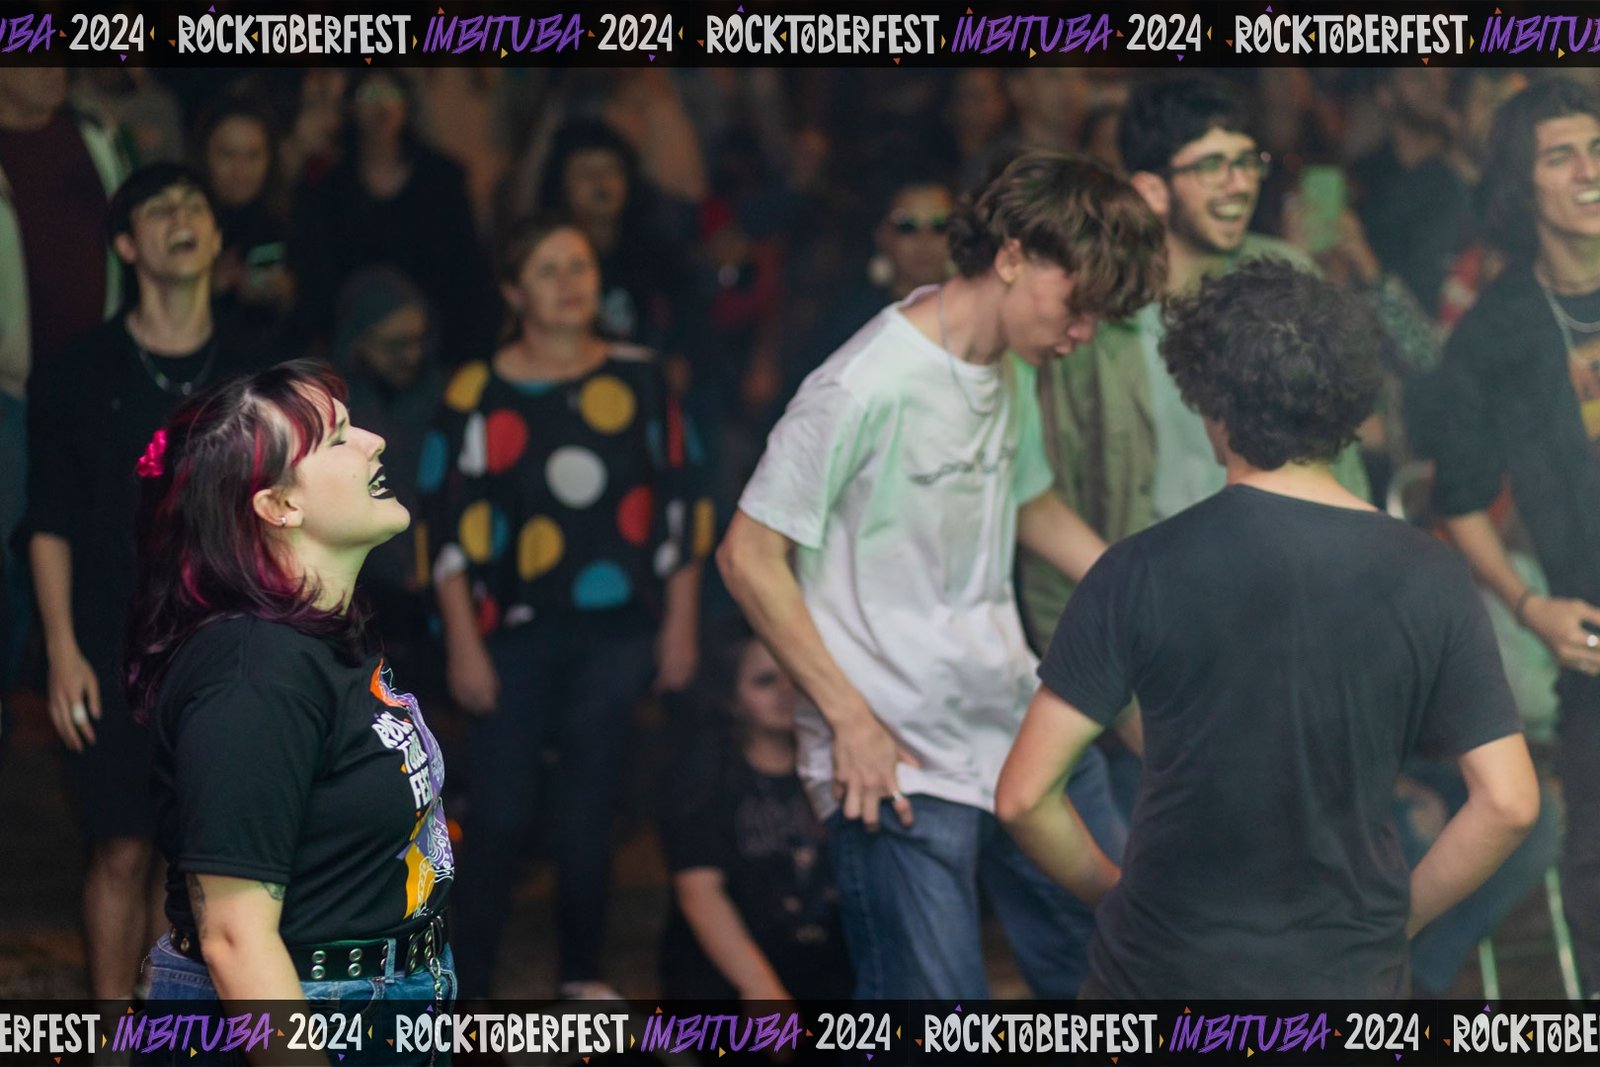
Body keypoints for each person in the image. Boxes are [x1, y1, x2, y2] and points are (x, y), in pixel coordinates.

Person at [996, 261, 1540, 998]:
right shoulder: (1430, 574)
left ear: (1209, 401)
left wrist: (1119, 900)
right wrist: (1392, 923)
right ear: (1350, 402)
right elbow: (1510, 802)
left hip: (1158, 980)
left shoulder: (1137, 569)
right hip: (1343, 987)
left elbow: (1025, 797)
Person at [717, 149, 1165, 999]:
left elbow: (1029, 500)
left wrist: (1141, 588)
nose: (1083, 334)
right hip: (894, 755)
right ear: (1013, 256)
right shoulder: (863, 384)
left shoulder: (1009, 364)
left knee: (1120, 968)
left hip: (1009, 717)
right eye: (1077, 308)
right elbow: (747, 554)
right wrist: (848, 718)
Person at [427, 217, 709, 999]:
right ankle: (465, 993)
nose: (568, 283)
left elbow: (684, 503)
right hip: (508, 631)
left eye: (579, 266)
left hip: (618, 628)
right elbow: (442, 524)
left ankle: (583, 980)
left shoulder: (642, 377)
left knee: (591, 812)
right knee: (501, 812)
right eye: (547, 269)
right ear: (513, 290)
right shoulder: (475, 388)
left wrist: (682, 623)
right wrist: (462, 642)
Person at [125, 360, 455, 1019]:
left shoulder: (326, 631)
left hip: (373, 999)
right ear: (279, 505)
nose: (375, 441)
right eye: (338, 437)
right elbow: (236, 940)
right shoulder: (254, 675)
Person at [22, 163, 260, 1000]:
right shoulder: (78, 372)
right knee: (121, 848)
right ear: (127, 244)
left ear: (217, 236)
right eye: (159, 209)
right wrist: (61, 651)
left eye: (195, 205)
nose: (181, 218)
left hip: (226, 652)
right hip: (110, 642)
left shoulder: (257, 372)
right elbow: (48, 520)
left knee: (191, 860)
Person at [1423, 78, 1600, 997]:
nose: (1589, 171)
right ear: (1519, 186)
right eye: (1560, 156)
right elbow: (1456, 502)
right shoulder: (1494, 331)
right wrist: (1532, 608)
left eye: (1598, 148)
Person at [0, 66, 126, 693]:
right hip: (9, 395)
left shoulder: (92, 137)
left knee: (93, 552)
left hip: (90, 389)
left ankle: (88, 696)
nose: (55, 64)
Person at [658, 624, 851, 1002]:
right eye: (765, 681)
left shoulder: (840, 767)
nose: (786, 690)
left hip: (824, 968)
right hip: (731, 976)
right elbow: (699, 892)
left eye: (794, 676)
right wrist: (761, 990)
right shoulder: (702, 780)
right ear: (732, 698)